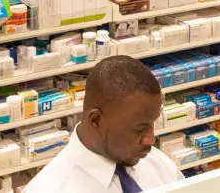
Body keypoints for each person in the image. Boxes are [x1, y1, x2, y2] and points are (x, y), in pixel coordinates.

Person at [24, 56, 184, 193]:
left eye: (152, 124)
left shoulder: (160, 166)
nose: (150, 139)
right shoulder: (50, 188)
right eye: (139, 129)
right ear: (96, 120)